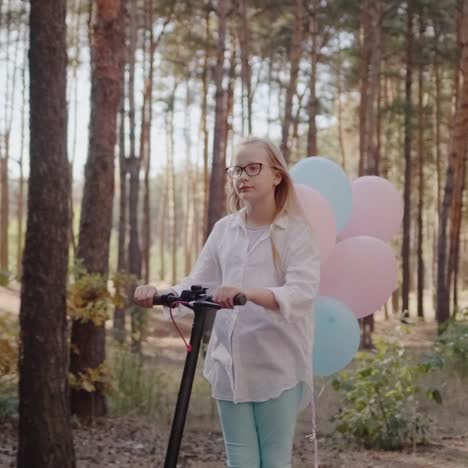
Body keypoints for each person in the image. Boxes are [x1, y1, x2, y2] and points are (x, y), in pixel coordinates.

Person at [134, 136, 320, 468]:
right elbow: (197, 284)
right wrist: (159, 292)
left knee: (274, 463)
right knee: (241, 462)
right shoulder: (225, 230)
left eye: (253, 168)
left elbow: (301, 291)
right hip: (229, 365)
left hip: (276, 365)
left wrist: (248, 294)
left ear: (277, 175)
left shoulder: (295, 231)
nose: (243, 177)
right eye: (237, 170)